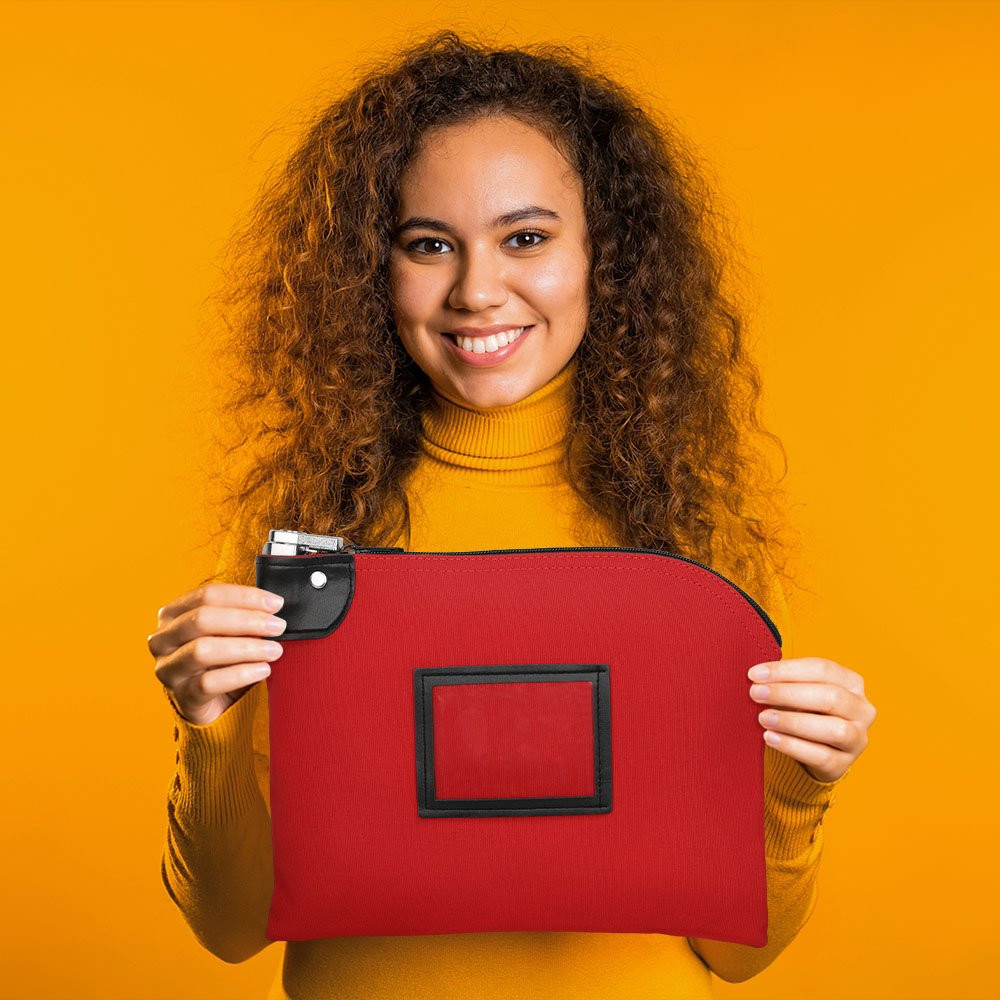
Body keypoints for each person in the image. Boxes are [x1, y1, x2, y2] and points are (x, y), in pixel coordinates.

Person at [148, 29, 877, 1000]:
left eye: (525, 237)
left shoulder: (698, 539)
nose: (476, 290)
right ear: (378, 267)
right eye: (428, 244)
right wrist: (209, 726)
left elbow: (739, 951)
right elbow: (232, 927)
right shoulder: (310, 545)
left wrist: (798, 785)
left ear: (601, 256)